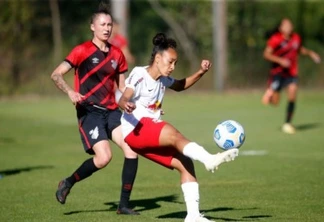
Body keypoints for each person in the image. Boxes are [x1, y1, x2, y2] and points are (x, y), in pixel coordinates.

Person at [118, 33, 239, 222]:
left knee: (185, 163)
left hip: (147, 132)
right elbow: (124, 97)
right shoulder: (139, 74)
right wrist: (126, 104)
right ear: (158, 59)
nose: (173, 67)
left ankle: (193, 217)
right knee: (173, 134)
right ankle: (208, 159)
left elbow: (181, 85)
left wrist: (200, 72)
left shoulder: (163, 80)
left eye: (175, 63)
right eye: (170, 62)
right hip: (135, 131)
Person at [50, 5, 139, 215]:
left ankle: (124, 205)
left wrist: (130, 102)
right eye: (102, 24)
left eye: (109, 24)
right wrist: (71, 92)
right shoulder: (81, 51)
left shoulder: (118, 54)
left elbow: (122, 87)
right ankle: (68, 182)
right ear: (93, 27)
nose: (107, 28)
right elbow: (56, 74)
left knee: (131, 150)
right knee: (103, 158)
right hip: (90, 112)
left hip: (112, 112)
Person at [261, 18, 321, 134]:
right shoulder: (276, 39)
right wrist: (280, 60)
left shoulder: (296, 38)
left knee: (293, 92)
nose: (289, 27)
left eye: (290, 25)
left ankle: (287, 123)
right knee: (275, 102)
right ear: (281, 28)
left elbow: (300, 49)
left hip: (291, 73)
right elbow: (266, 54)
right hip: (277, 73)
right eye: (286, 25)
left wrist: (311, 53)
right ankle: (270, 92)